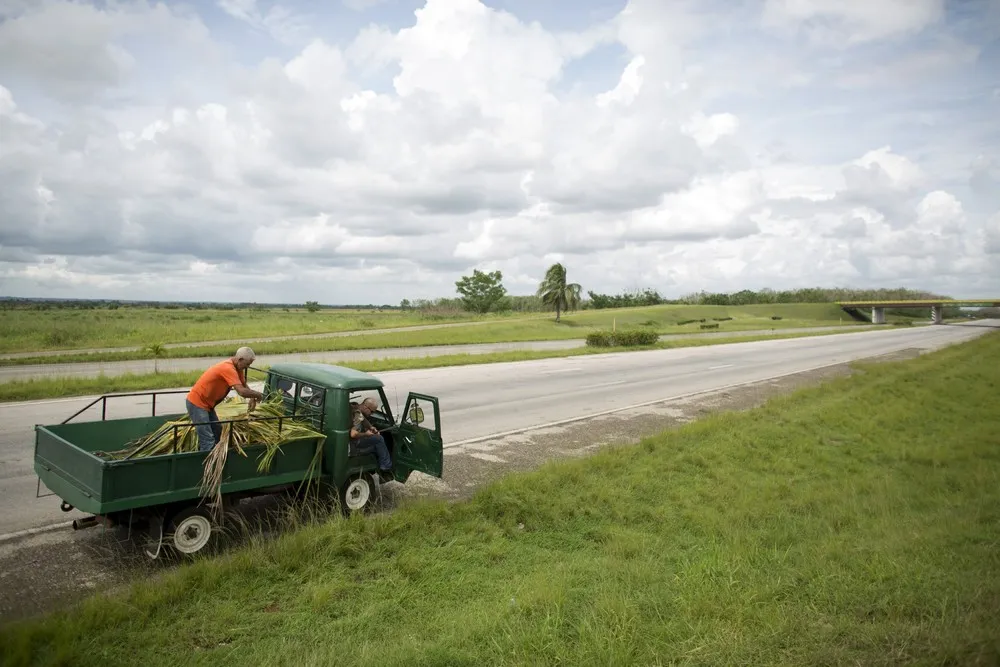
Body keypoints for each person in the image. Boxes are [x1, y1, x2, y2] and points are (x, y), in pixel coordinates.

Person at [186, 346, 264, 452]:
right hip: (197, 404)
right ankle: (207, 465)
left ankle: (215, 454)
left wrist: (253, 397)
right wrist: (258, 395)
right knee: (208, 440)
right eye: (247, 364)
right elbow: (241, 391)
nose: (247, 367)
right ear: (240, 360)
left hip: (208, 405)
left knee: (217, 432)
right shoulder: (228, 368)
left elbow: (244, 386)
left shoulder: (237, 368)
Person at [350, 397, 393, 480]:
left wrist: (371, 427)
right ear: (365, 407)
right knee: (379, 439)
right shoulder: (358, 415)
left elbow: (363, 419)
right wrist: (366, 434)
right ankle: (386, 468)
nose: (372, 414)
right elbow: (353, 434)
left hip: (351, 442)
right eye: (372, 411)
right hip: (354, 443)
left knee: (377, 442)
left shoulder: (354, 407)